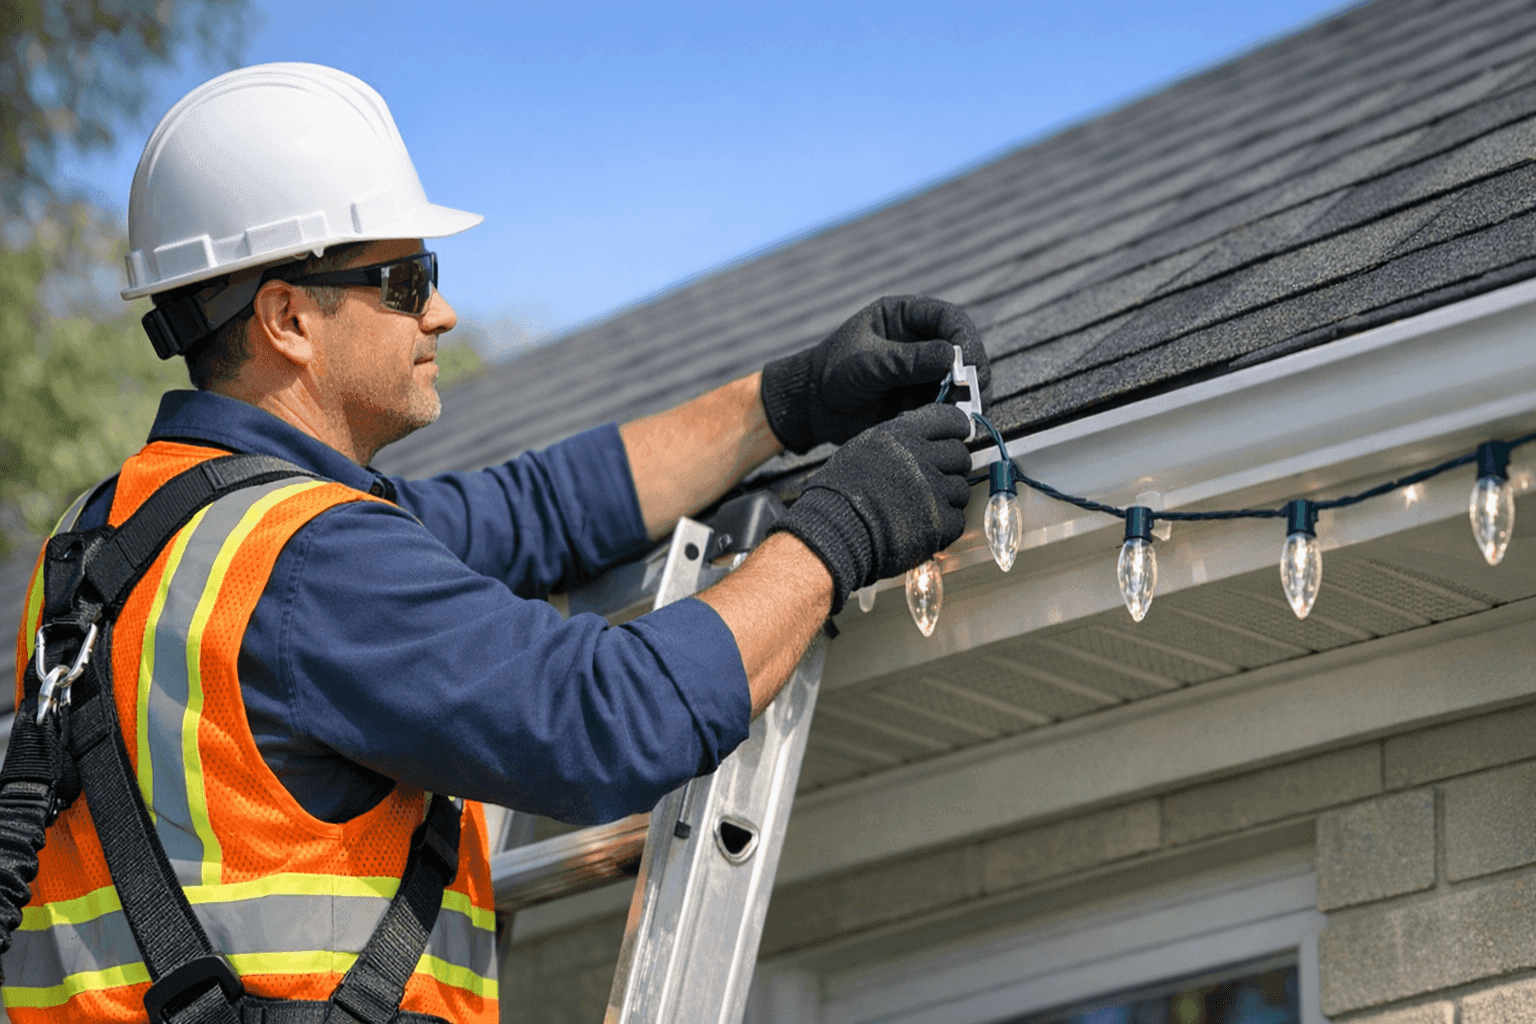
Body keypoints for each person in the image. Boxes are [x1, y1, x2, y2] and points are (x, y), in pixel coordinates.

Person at [4, 64, 988, 1023]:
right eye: (404, 279)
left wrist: (785, 401)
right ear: (288, 317)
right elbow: (611, 717)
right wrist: (838, 528)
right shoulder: (310, 564)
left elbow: (536, 511)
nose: (443, 311)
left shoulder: (111, 546)